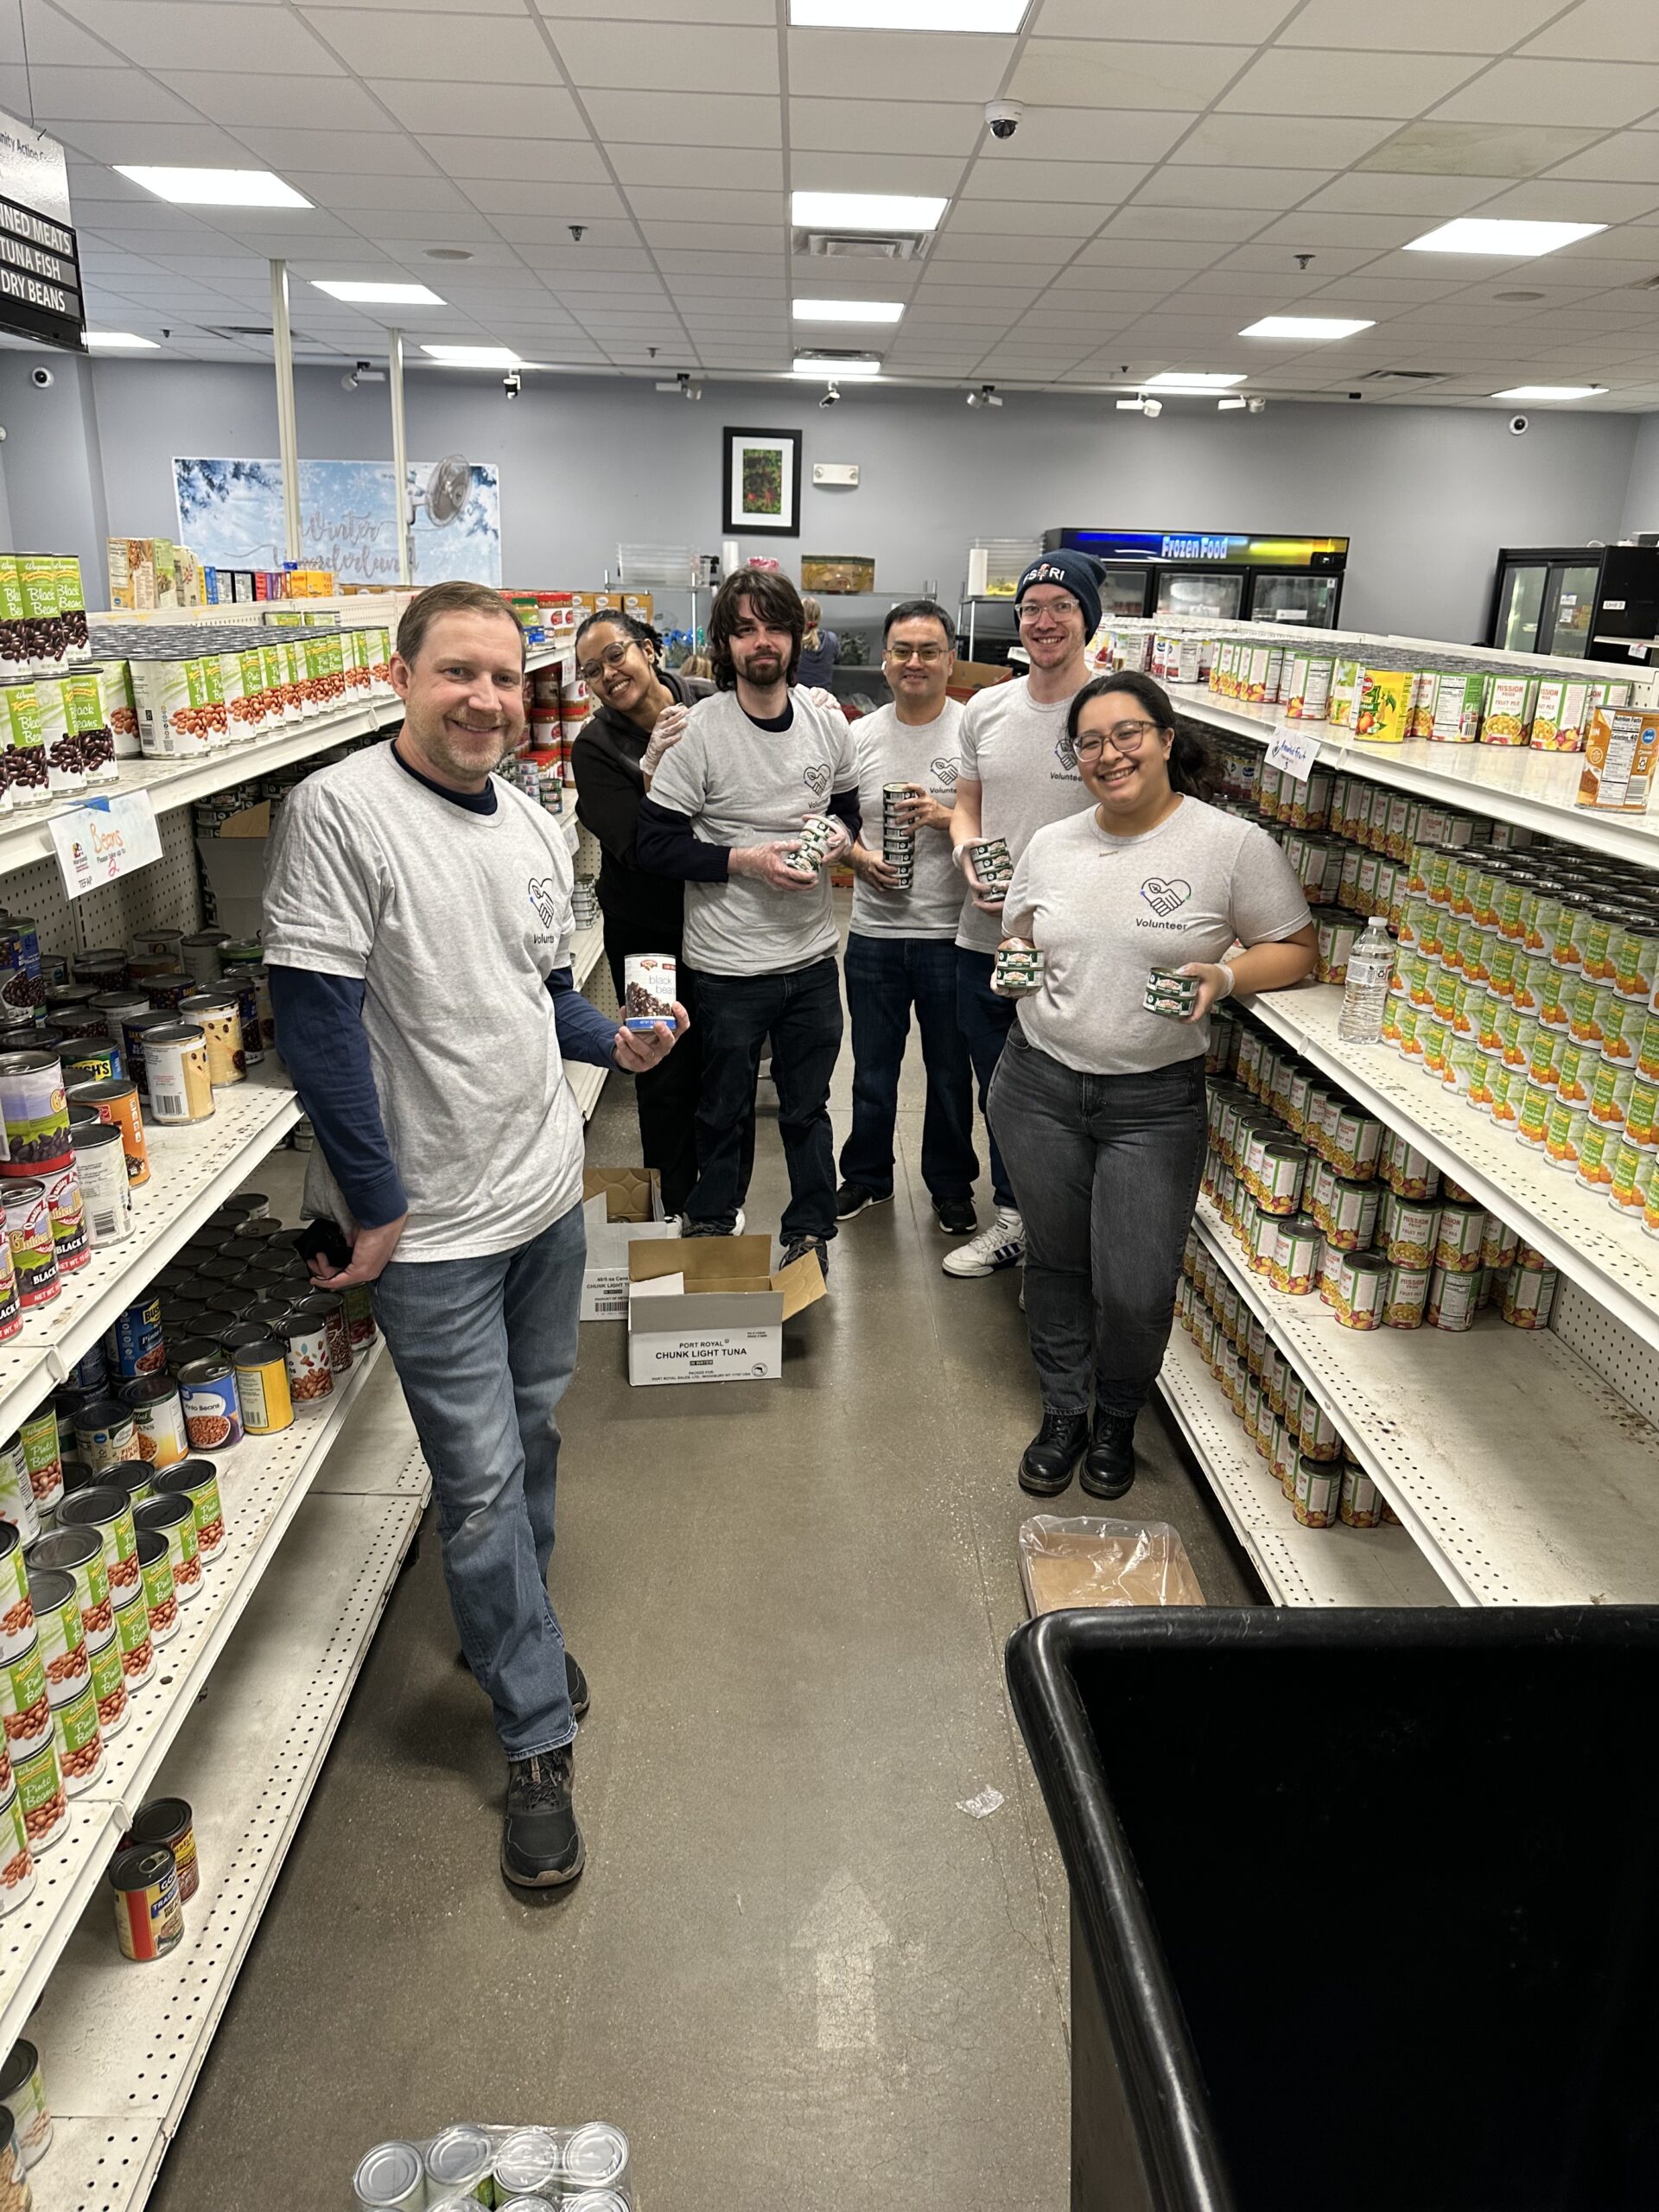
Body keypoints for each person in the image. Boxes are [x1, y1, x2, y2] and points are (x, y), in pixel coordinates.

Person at [262, 581, 687, 1891]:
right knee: (485, 1478)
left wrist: (611, 1038)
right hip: (437, 1229)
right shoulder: (339, 813)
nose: (486, 700)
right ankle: (533, 1734)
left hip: (543, 1196)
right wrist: (378, 1208)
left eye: (506, 678)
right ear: (403, 677)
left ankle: (513, 1624)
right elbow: (316, 1017)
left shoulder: (528, 823)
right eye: (458, 673)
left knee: (535, 1434)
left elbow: (539, 990)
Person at [989, 670, 1316, 1500]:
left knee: (1134, 1287)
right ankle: (1064, 1411)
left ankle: (1117, 1418)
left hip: (1151, 1102)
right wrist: (1016, 970)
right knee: (1057, 1264)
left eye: (1127, 733)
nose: (1109, 754)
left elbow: (1296, 947)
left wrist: (1226, 977)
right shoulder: (1052, 845)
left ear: (1167, 739)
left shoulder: (1232, 846)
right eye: (1090, 742)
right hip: (1037, 1085)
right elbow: (1020, 939)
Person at [637, 566, 858, 1277]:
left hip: (814, 960)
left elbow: (847, 810)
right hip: (729, 967)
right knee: (723, 1108)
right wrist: (748, 861)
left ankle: (810, 1232)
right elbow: (656, 843)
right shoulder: (699, 733)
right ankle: (712, 1225)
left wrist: (833, 842)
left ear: (798, 637)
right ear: (724, 644)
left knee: (808, 1110)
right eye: (744, 630)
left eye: (775, 627)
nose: (761, 642)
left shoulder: (827, 724)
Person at [944, 550, 1100, 1281]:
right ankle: (1014, 1217)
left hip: (1081, 949)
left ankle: (1067, 1233)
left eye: (1061, 607)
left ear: (1087, 621)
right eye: (1032, 608)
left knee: (1072, 1091)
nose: (1044, 621)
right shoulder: (987, 708)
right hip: (988, 937)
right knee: (1001, 1089)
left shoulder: (1113, 709)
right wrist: (968, 851)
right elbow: (968, 805)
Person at [570, 608, 720, 1217]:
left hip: (720, 922)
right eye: (591, 670)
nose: (607, 674)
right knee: (659, 1062)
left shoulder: (711, 701)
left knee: (721, 1061)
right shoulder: (594, 748)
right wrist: (653, 772)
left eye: (615, 655)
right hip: (647, 933)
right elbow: (638, 847)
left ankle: (719, 1197)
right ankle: (677, 1205)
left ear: (650, 649)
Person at [836, 600, 978, 1236]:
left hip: (955, 935)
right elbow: (834, 825)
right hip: (874, 933)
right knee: (871, 1068)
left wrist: (948, 820)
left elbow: (1004, 823)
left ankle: (949, 1185)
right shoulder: (858, 737)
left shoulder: (975, 731)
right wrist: (860, 860)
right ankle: (866, 1175)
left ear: (950, 659)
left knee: (951, 1073)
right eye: (902, 651)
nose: (914, 662)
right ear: (885, 662)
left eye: (928, 650)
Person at [795, 595, 841, 690]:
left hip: (800, 698)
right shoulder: (831, 639)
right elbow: (838, 659)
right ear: (819, 616)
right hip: (824, 700)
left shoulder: (794, 641)